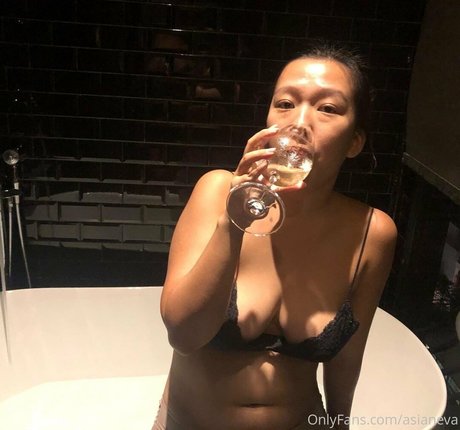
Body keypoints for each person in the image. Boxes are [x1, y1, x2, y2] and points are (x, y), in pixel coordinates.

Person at [153, 42, 397, 430]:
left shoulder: (372, 232)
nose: (299, 122)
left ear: (354, 141)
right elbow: (183, 335)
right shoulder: (217, 191)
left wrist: (341, 425)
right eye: (285, 103)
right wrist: (233, 221)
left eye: (327, 108)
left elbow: (347, 358)